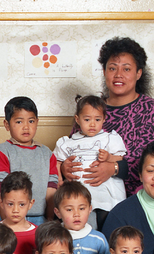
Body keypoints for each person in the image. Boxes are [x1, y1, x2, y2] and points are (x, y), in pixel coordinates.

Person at [60, 37, 154, 202]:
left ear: (138, 73)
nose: (118, 75)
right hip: (84, 198)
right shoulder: (91, 109)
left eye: (126, 69)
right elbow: (72, 147)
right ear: (104, 71)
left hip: (137, 199)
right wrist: (65, 168)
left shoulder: (153, 112)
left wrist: (114, 168)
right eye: (112, 68)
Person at [53, 95, 126, 230]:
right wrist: (59, 181)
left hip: (105, 192)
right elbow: (56, 162)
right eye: (87, 119)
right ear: (77, 119)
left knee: (109, 227)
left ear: (104, 119)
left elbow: (120, 159)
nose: (92, 124)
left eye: (97, 119)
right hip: (80, 195)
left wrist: (109, 157)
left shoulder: (109, 138)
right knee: (85, 227)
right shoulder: (68, 142)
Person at [0, 97, 59, 225]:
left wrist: (49, 220)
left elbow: (51, 190)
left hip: (41, 218)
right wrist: (6, 222)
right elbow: (1, 189)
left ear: (37, 122)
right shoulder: (2, 151)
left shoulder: (47, 153)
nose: (26, 127)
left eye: (31, 121)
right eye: (19, 122)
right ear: (7, 125)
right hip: (10, 217)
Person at [54, 181, 111, 254]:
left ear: (90, 209)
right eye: (69, 209)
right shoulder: (54, 240)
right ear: (58, 213)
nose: (76, 214)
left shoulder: (99, 239)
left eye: (81, 208)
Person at [0, 172, 39, 254]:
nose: (15, 210)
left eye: (21, 204)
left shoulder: (38, 234)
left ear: (30, 203)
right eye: (10, 204)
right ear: (1, 203)